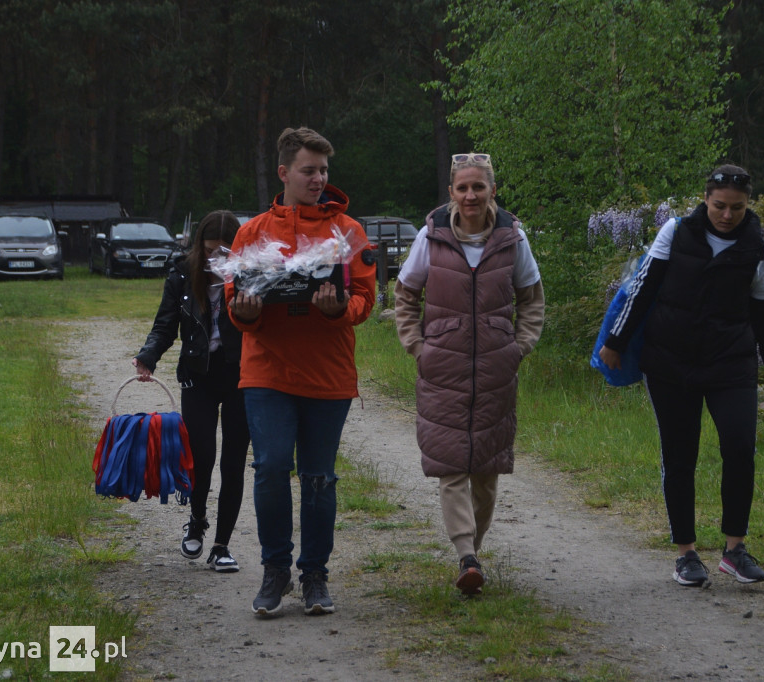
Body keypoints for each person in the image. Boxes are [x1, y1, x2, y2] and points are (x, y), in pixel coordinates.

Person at [598, 165, 764, 587]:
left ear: (748, 206)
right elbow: (642, 287)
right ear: (706, 199)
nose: (726, 215)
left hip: (731, 364)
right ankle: (686, 553)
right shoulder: (676, 231)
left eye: (736, 208)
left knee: (740, 449)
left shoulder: (759, 251)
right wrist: (614, 341)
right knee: (680, 454)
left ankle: (734, 549)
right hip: (671, 362)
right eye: (719, 206)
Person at [226, 127, 375, 617]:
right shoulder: (252, 233)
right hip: (267, 373)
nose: (318, 179)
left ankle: (314, 575)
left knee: (318, 478)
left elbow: (365, 301)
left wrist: (337, 310)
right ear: (284, 172)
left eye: (324, 171)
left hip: (327, 375)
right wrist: (245, 313)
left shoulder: (348, 232)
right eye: (309, 171)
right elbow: (234, 305)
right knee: (270, 469)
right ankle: (275, 570)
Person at [394, 152, 545, 595]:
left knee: (486, 470)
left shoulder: (513, 239)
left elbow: (532, 300)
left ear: (492, 190)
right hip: (443, 366)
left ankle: (471, 555)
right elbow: (405, 296)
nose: (471, 195)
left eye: (478, 187)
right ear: (451, 193)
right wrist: (418, 347)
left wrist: (518, 347)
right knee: (451, 466)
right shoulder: (430, 237)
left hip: (497, 369)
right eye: (463, 188)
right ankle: (466, 554)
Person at [133, 210, 250, 573]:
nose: (217, 259)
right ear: (200, 246)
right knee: (200, 455)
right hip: (197, 375)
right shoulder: (183, 272)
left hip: (241, 375)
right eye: (210, 250)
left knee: (234, 461)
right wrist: (148, 356)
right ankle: (197, 521)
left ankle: (222, 545)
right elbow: (165, 324)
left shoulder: (251, 273)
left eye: (224, 252)